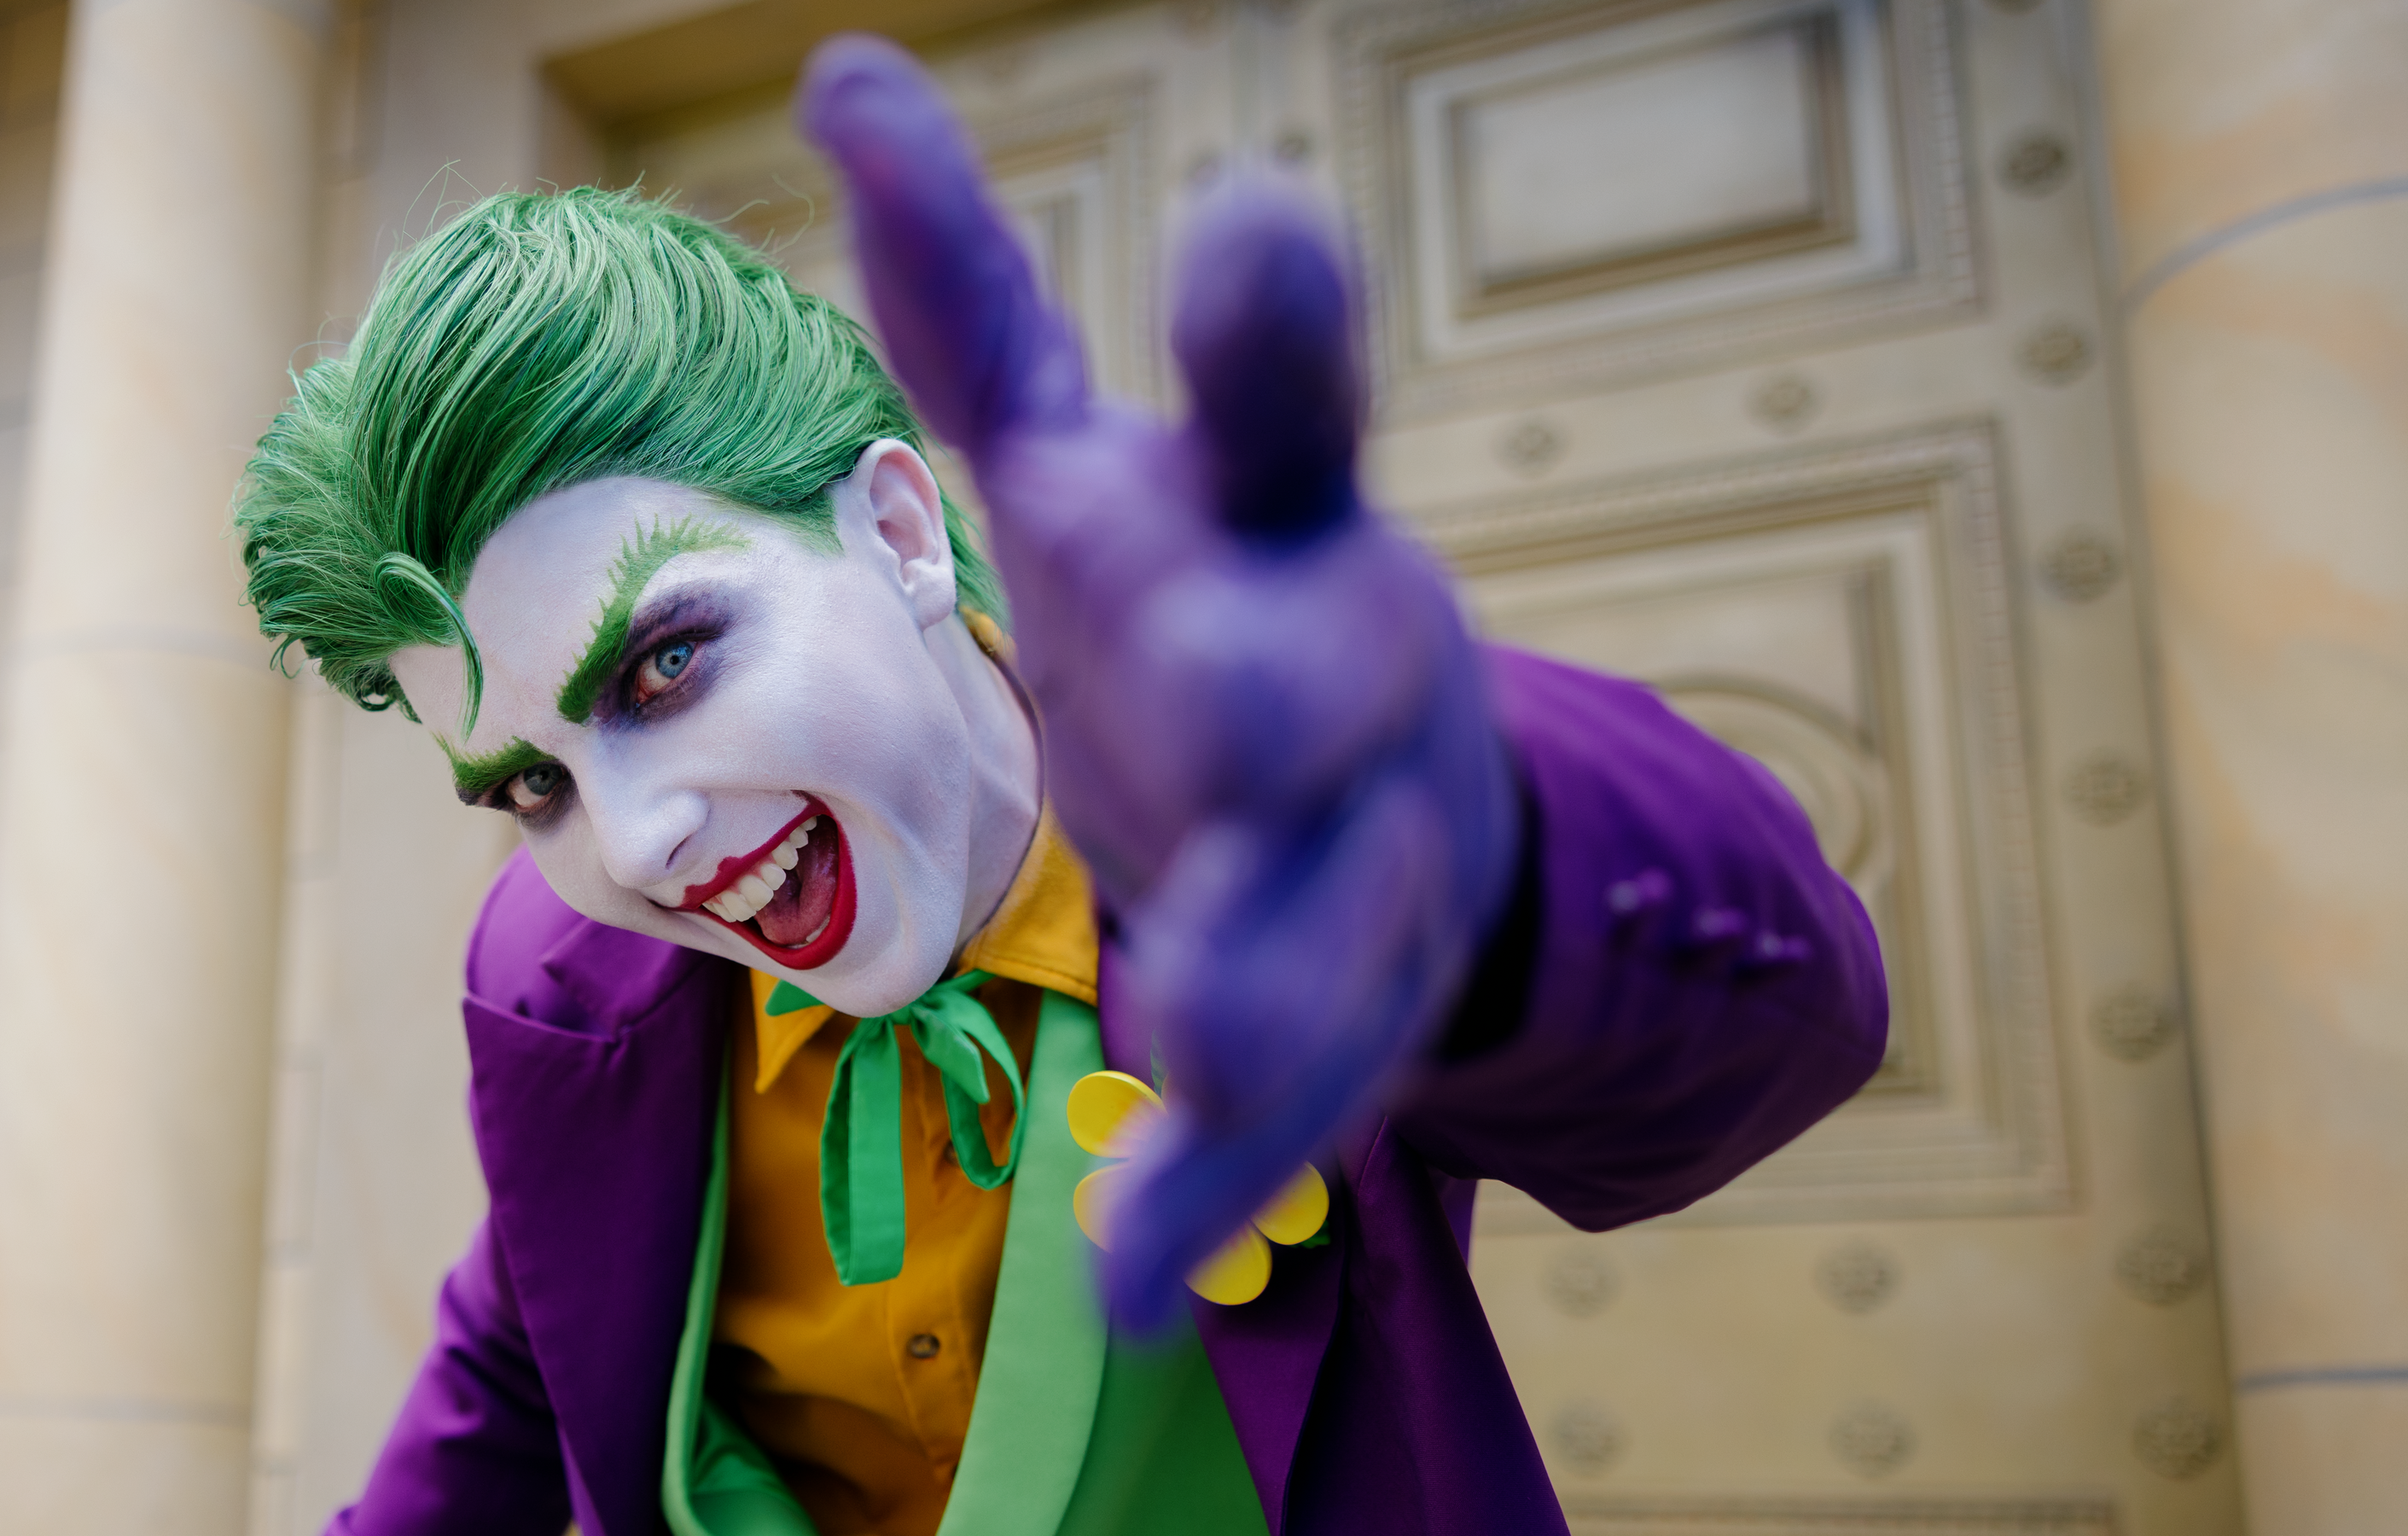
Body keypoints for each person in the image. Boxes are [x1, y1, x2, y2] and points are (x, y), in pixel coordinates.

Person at [232, 35, 1886, 1536]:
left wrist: (1477, 839)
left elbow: (1789, 1031)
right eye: (530, 785)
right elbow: (525, 1368)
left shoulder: (1244, 846)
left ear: (890, 533)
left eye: (666, 663)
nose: (640, 840)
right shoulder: (550, 977)